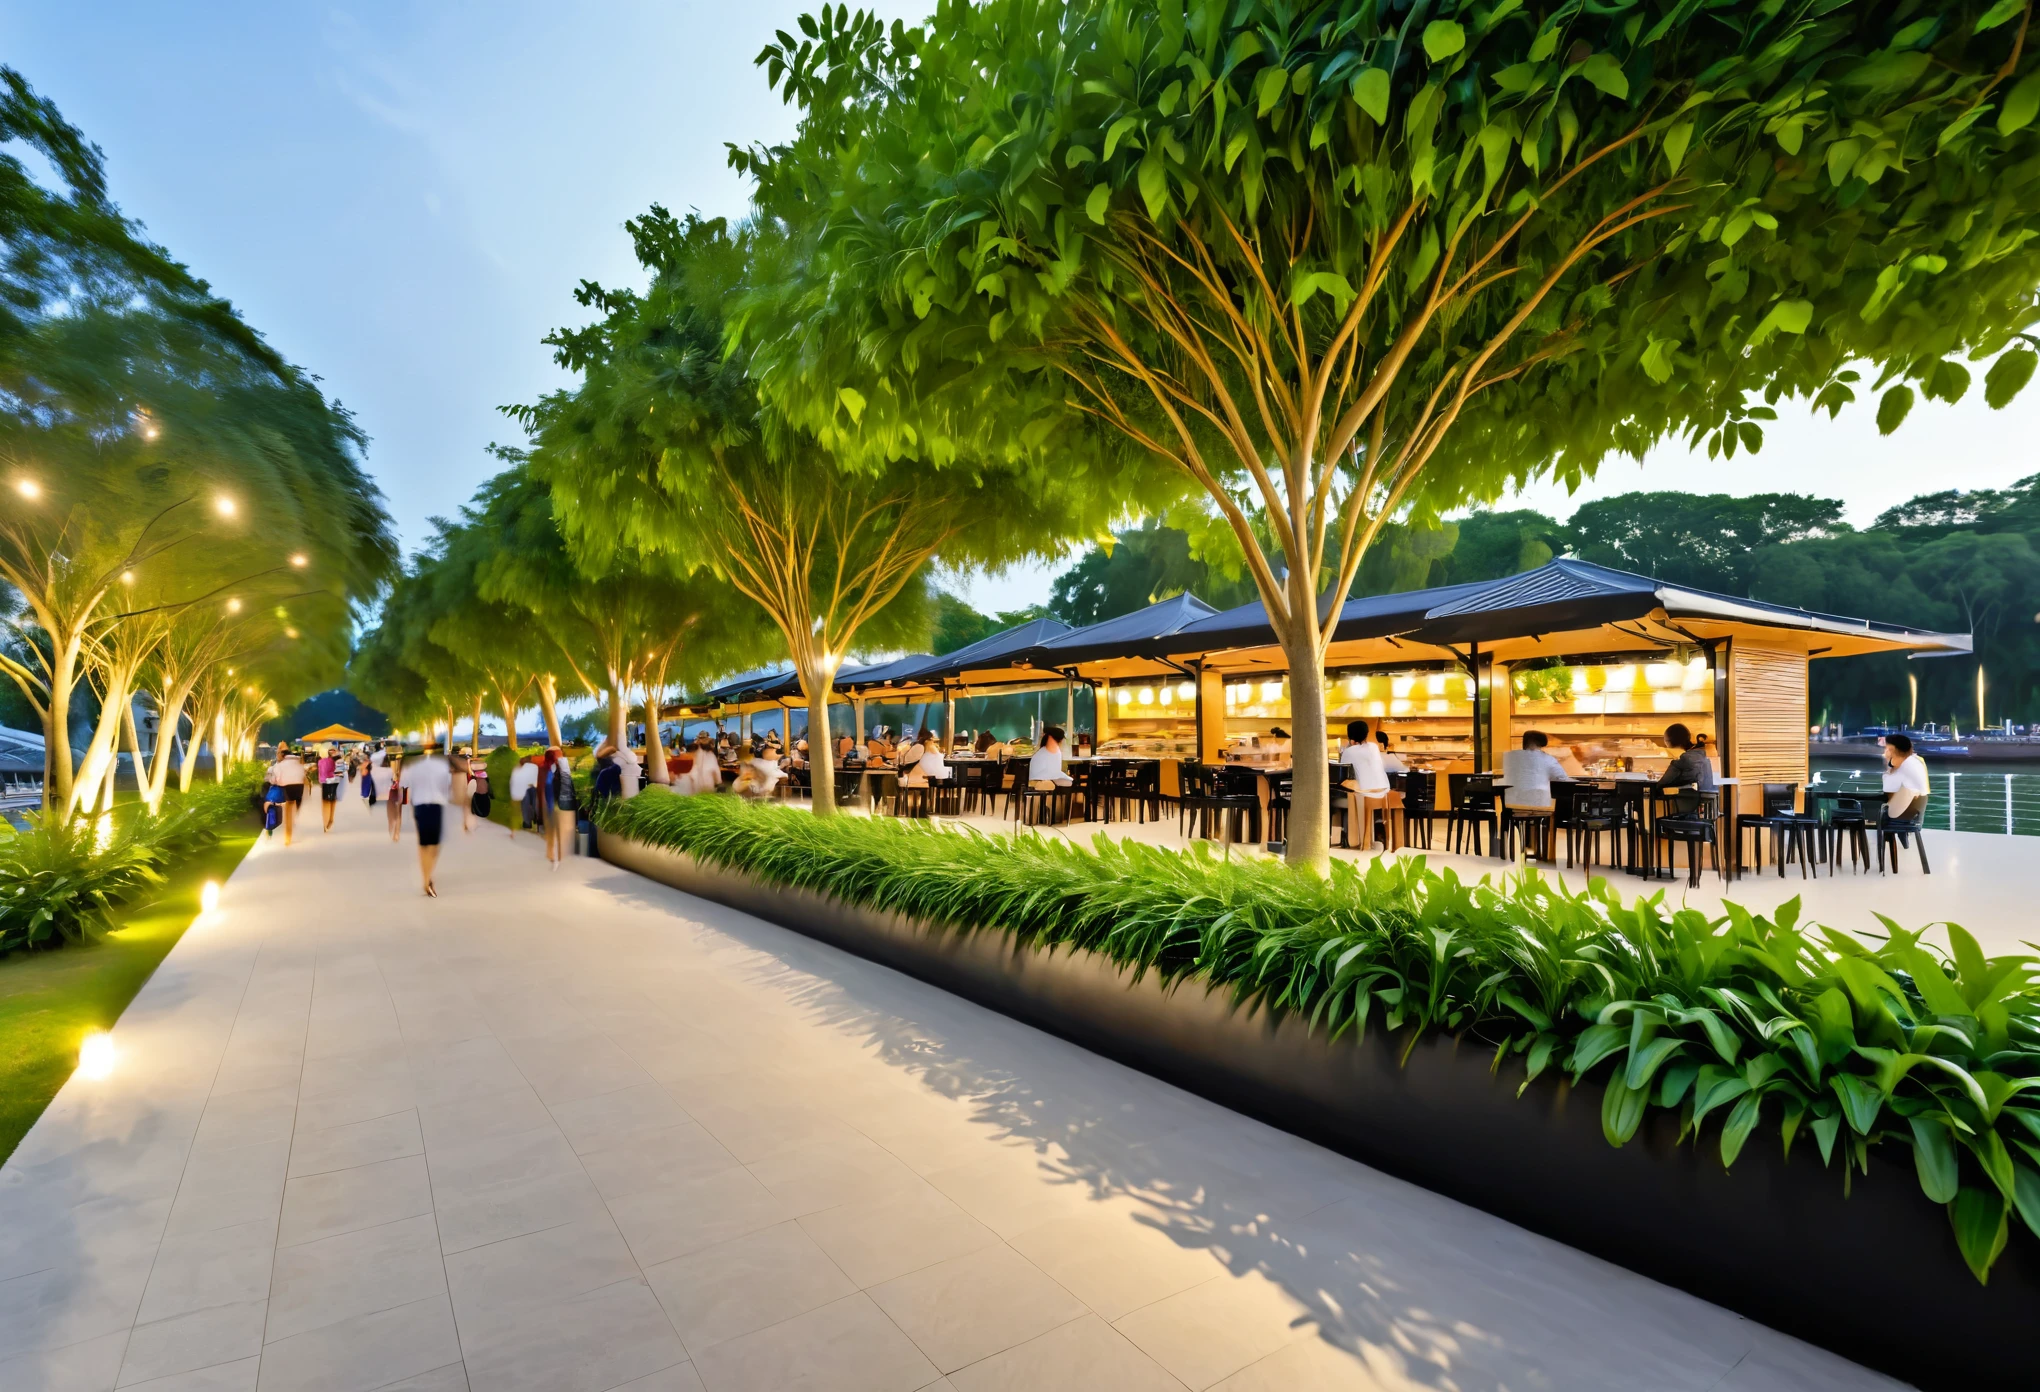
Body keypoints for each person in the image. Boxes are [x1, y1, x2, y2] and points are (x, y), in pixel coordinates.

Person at [399, 739, 452, 896]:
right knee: (434, 845)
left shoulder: (414, 767)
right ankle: (427, 878)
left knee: (424, 844)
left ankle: (426, 878)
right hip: (436, 805)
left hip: (420, 805)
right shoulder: (442, 766)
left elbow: (404, 784)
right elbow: (447, 787)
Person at [1338, 720, 1397, 851]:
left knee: (1345, 793)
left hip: (1365, 793)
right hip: (1383, 790)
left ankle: (1350, 837)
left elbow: (1343, 772)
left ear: (1350, 737)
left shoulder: (1349, 752)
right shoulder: (1373, 747)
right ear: (1366, 734)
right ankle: (1372, 832)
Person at [1881, 733, 1930, 820]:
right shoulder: (1917, 761)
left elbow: (1888, 792)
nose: (1884, 754)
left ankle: (1860, 832)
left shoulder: (1904, 767)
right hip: (1914, 813)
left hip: (1902, 814)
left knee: (1859, 810)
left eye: (1886, 749)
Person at [267, 744, 307, 846]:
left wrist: (273, 781)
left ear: (282, 755)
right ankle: (293, 821)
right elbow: (303, 775)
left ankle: (288, 837)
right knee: (293, 804)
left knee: (288, 809)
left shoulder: (280, 765)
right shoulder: (298, 763)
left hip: (288, 787)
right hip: (299, 787)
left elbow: (276, 780)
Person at [1027, 724, 1073, 789]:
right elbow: (1053, 772)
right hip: (1040, 780)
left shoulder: (1051, 751)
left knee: (1068, 781)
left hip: (1045, 778)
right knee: (1068, 782)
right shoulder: (1046, 752)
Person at [509, 754, 540, 838]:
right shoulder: (534, 767)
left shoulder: (518, 769)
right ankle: (535, 823)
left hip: (524, 789)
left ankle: (527, 823)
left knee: (525, 806)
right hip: (532, 787)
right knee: (534, 805)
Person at [314, 744, 342, 832]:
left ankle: (326, 823)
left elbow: (322, 773)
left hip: (327, 782)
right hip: (333, 781)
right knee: (332, 800)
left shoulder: (322, 761)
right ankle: (330, 820)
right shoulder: (336, 759)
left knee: (326, 802)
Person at [468, 753, 492, 831]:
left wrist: (468, 762)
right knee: (482, 809)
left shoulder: (475, 776)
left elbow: (470, 772)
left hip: (478, 794)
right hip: (484, 794)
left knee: (476, 809)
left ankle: (475, 823)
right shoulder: (485, 775)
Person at [385, 750, 406, 841]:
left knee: (397, 809)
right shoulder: (391, 757)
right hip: (394, 785)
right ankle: (393, 828)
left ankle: (396, 832)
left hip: (400, 785)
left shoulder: (402, 759)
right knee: (394, 808)